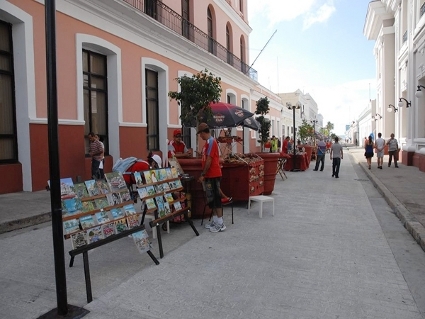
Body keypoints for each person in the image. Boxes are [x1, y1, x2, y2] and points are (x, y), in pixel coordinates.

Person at [197, 123, 225, 233]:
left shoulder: (212, 142)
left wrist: (203, 174)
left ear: (204, 132)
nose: (200, 136)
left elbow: (209, 160)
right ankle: (215, 220)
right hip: (209, 174)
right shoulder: (207, 143)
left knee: (216, 199)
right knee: (211, 199)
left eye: (200, 134)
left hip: (213, 174)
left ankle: (220, 223)